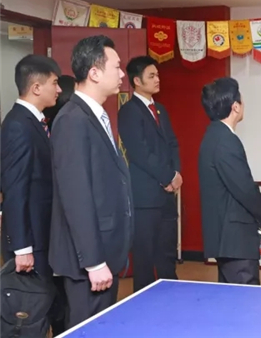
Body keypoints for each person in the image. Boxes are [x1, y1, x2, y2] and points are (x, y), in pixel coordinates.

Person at [49, 35, 134, 327]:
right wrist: (94, 261)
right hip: (88, 260)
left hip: (104, 251)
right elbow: (76, 195)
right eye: (117, 67)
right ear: (94, 73)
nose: (122, 74)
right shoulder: (72, 120)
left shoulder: (95, 115)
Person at [0, 54, 67, 334]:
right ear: (36, 87)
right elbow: (15, 189)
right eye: (54, 83)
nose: (59, 89)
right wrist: (22, 248)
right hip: (31, 242)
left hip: (43, 235)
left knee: (49, 309)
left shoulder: (35, 121)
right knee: (30, 316)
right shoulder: (18, 125)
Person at [198, 77, 261, 285]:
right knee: (245, 298)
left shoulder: (213, 136)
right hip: (235, 239)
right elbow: (244, 188)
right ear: (235, 106)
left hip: (226, 238)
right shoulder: (226, 141)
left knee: (230, 299)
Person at [118, 56, 181, 292]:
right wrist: (167, 177)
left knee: (167, 254)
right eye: (151, 76)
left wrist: (176, 174)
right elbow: (140, 153)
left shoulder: (161, 109)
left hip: (167, 194)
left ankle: (171, 298)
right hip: (145, 197)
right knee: (144, 258)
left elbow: (172, 143)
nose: (157, 79)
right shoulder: (129, 111)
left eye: (157, 75)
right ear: (137, 81)